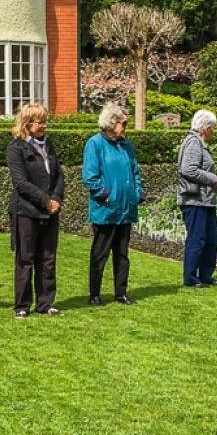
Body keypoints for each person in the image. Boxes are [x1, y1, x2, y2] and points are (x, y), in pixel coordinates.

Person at [82, 101, 144, 306]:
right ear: (111, 123)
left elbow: (135, 172)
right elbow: (90, 177)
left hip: (125, 209)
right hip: (106, 210)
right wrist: (106, 194)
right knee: (100, 255)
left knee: (122, 255)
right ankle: (95, 294)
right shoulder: (95, 144)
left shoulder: (126, 145)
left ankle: (121, 292)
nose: (125, 127)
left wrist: (137, 193)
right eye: (123, 123)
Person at [7, 102, 65, 317]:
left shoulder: (48, 146)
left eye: (45, 120)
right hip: (26, 211)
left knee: (48, 258)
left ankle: (45, 303)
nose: (44, 126)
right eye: (39, 121)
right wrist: (45, 201)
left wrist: (57, 198)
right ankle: (22, 306)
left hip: (51, 211)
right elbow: (20, 182)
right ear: (27, 123)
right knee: (26, 259)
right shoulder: (16, 148)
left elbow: (58, 175)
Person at [178, 109, 217, 288]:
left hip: (205, 200)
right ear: (205, 128)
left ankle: (205, 275)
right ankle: (190, 278)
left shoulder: (199, 144)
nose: (213, 131)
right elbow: (188, 169)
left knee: (212, 238)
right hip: (194, 200)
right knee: (197, 239)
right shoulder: (193, 143)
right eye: (212, 127)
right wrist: (213, 178)